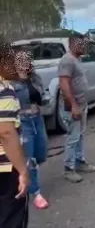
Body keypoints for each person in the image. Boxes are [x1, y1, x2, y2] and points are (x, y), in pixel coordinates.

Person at [11, 50, 49, 209]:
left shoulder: (35, 77)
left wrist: (46, 98)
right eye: (21, 60)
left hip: (38, 119)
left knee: (41, 154)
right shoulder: (11, 82)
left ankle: (22, 176)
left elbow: (44, 94)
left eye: (27, 59)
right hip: (23, 122)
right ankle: (36, 193)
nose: (25, 62)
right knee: (30, 158)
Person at [58, 34, 95, 183]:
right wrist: (74, 105)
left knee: (80, 135)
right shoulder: (67, 60)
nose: (83, 47)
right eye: (80, 44)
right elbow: (64, 84)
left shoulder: (76, 59)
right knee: (73, 137)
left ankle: (80, 162)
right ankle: (68, 169)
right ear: (72, 44)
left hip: (81, 105)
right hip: (72, 106)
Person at [0, 43, 29, 227]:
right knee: (10, 219)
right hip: (4, 170)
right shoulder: (4, 90)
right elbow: (5, 132)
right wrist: (23, 171)